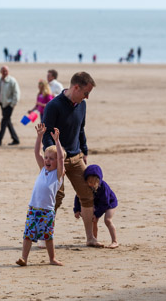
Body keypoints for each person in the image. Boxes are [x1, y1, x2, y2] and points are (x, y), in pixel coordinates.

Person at [42, 71, 103, 247]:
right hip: (57, 159)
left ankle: (90, 238)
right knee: (55, 198)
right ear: (76, 87)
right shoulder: (53, 106)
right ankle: (45, 238)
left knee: (88, 194)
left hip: (76, 158)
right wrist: (52, 156)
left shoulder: (82, 105)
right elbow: (47, 134)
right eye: (86, 93)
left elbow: (81, 129)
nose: (87, 97)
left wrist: (84, 150)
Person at [16, 123, 65, 266]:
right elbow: (37, 153)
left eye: (51, 158)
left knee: (48, 237)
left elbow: (61, 159)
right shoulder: (43, 169)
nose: (47, 160)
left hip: (47, 211)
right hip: (33, 208)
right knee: (28, 235)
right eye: (47, 157)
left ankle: (52, 259)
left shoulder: (58, 175)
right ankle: (24, 258)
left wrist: (57, 141)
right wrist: (39, 137)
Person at [73, 164, 119, 249]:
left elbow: (105, 203)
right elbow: (78, 197)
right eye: (89, 182)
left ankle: (114, 241)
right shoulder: (85, 186)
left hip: (109, 203)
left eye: (94, 183)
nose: (91, 185)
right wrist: (77, 210)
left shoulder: (103, 187)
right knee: (94, 221)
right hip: (97, 204)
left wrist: (97, 214)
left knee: (107, 220)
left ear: (98, 181)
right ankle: (94, 239)